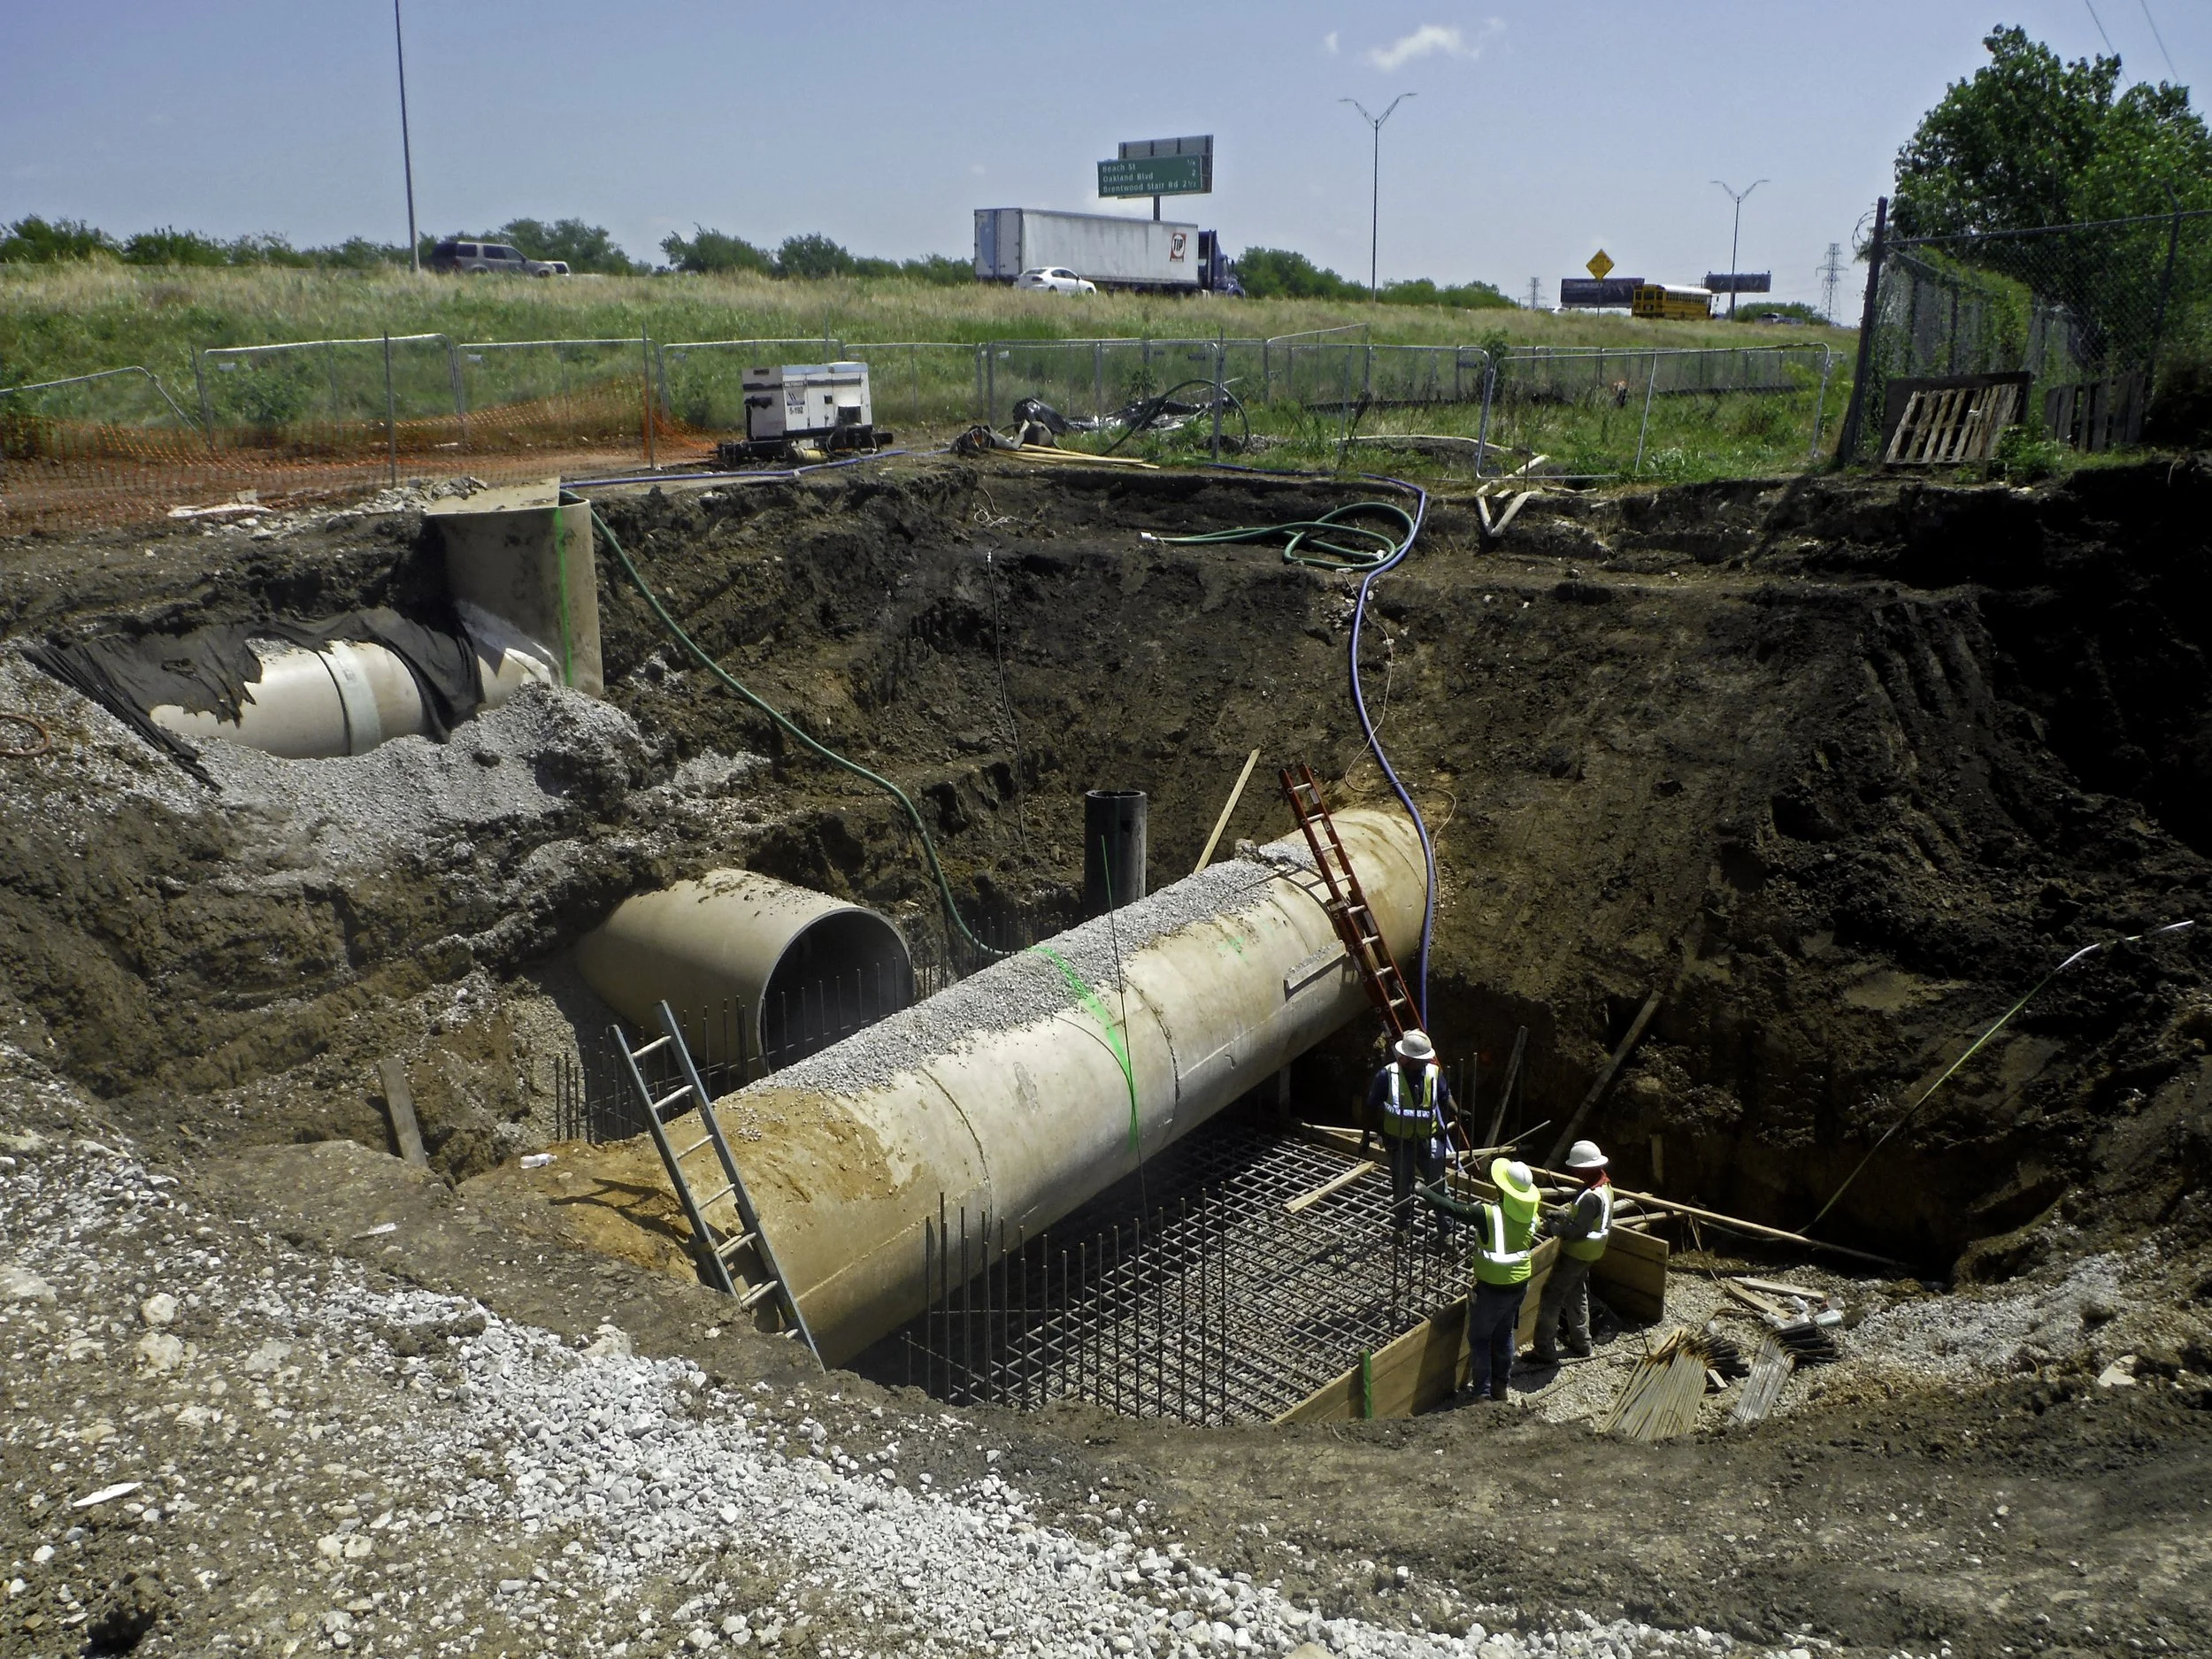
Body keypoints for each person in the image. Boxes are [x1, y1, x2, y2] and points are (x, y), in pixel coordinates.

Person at [1420, 1156, 1540, 1401]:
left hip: (1493, 1289)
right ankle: (1500, 1387)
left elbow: (1453, 1208)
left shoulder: (1490, 1215)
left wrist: (1426, 1192)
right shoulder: (1532, 1215)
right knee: (1504, 1333)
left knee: (1480, 1338)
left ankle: (1483, 1393)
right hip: (1519, 1286)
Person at [1364, 1030, 1455, 1241]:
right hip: (1399, 1143)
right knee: (1402, 1188)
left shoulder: (1433, 1073)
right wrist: (1366, 1136)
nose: (1426, 1062)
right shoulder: (1386, 1076)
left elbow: (1445, 1095)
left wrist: (1457, 1110)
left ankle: (1447, 1231)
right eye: (1421, 1060)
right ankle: (1403, 1228)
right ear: (1408, 1059)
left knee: (1438, 1188)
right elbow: (1370, 1107)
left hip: (1428, 1140)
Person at [1532, 1140, 1613, 1364]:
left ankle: (1544, 1350)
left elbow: (1577, 1231)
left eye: (1577, 1168)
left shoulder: (1590, 1197)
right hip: (1590, 1254)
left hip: (1576, 1253)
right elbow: (1581, 1214)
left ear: (1585, 1168)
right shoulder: (1603, 1186)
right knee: (1577, 1293)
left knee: (1551, 1296)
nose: (1574, 1172)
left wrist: (1553, 1227)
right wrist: (1563, 1213)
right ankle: (1582, 1343)